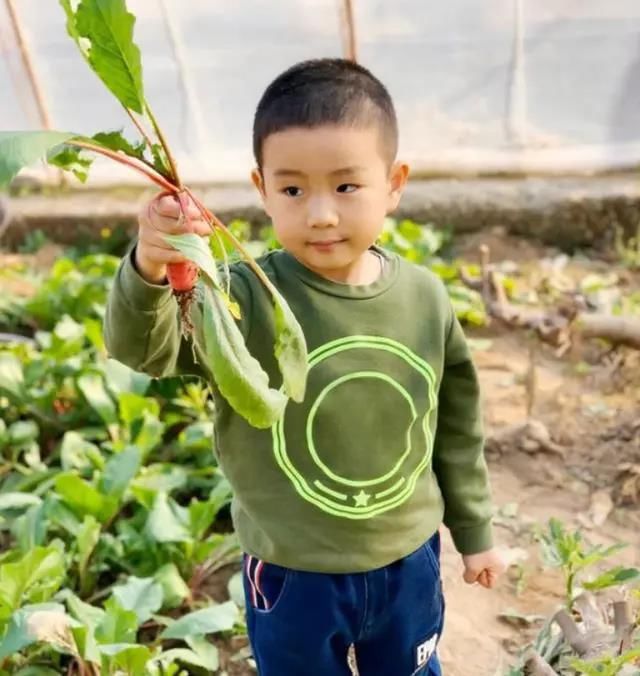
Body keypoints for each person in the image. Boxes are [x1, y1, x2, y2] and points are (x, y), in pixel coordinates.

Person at [104, 58, 505, 675]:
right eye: (292, 189)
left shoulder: (425, 297)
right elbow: (147, 350)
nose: (320, 214)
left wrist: (474, 531)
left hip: (408, 557)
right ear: (261, 187)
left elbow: (455, 425)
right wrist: (152, 266)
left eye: (346, 186)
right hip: (291, 569)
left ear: (394, 183)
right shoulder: (238, 296)